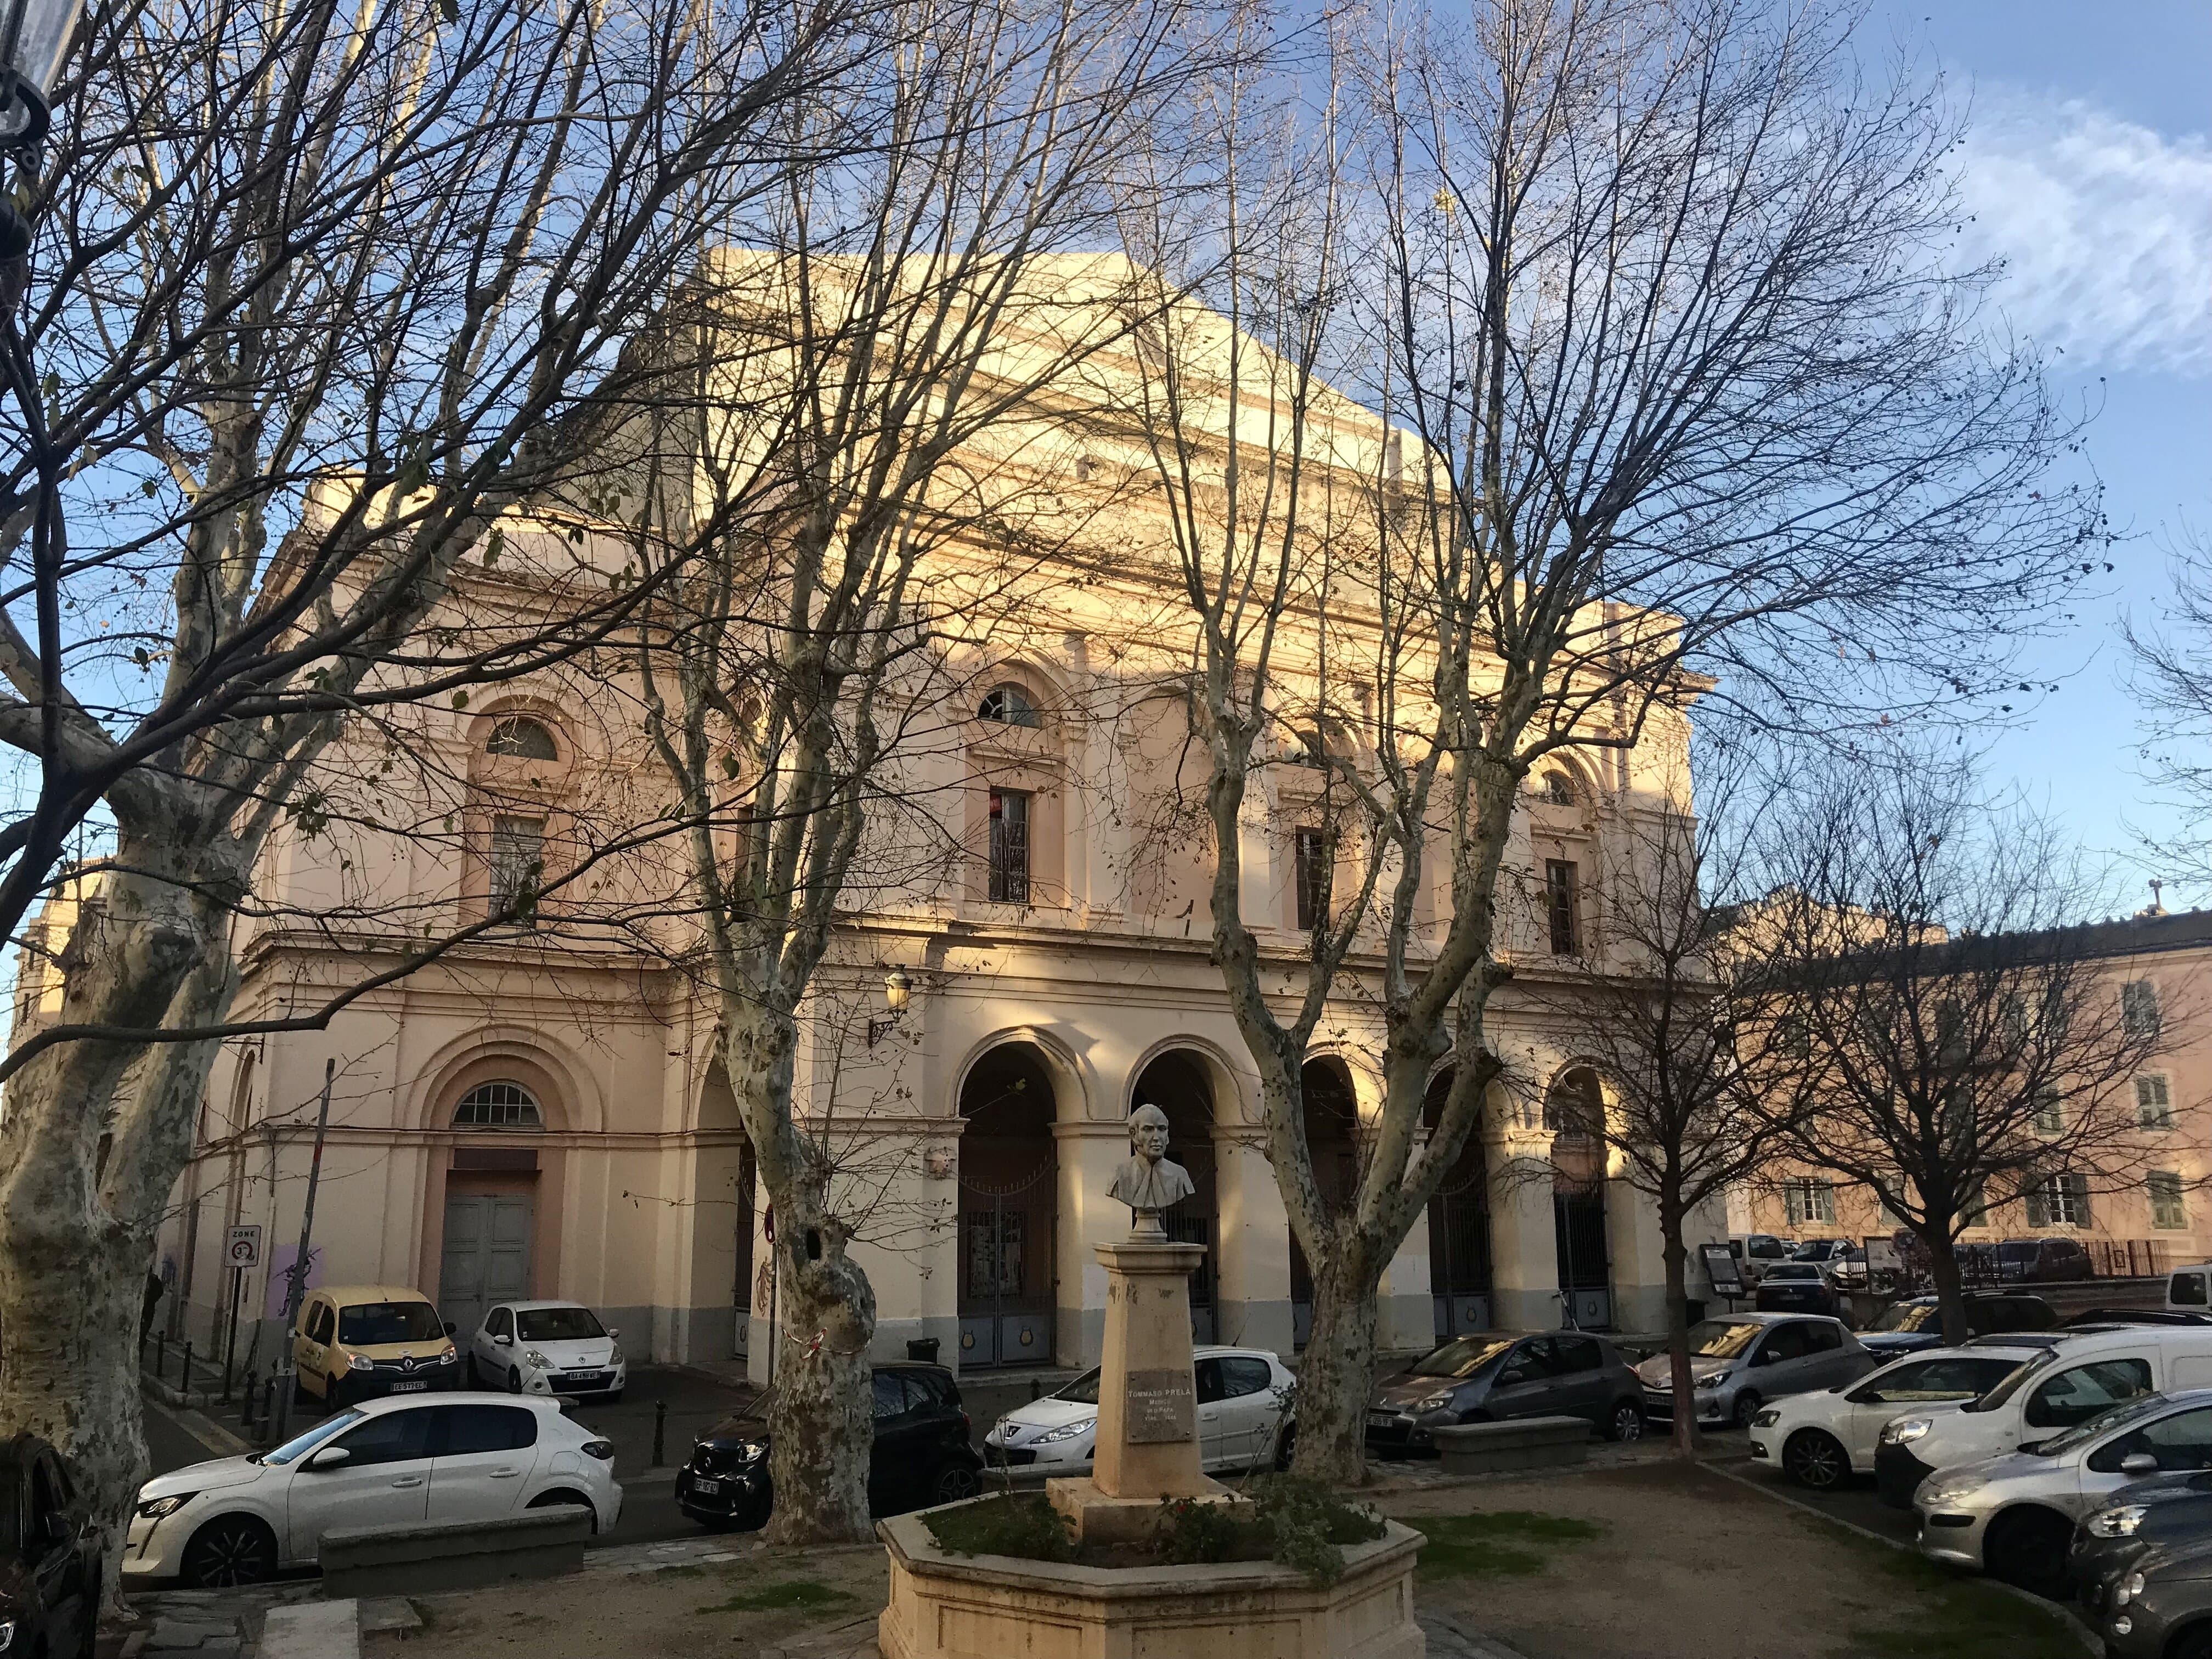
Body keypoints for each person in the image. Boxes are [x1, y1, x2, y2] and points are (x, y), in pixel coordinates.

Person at [1107, 1103, 1195, 1215]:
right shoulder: (1121, 1174)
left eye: (1162, 1129)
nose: (1156, 1137)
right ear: (1134, 1135)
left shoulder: (1180, 1175)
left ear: (1167, 1136)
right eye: (1148, 1130)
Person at [140, 1267, 166, 1344]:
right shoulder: (142, 1280)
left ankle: (142, 1338)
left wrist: (151, 1299)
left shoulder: (155, 1281)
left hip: (149, 1306)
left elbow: (160, 1292)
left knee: (147, 1323)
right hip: (143, 1306)